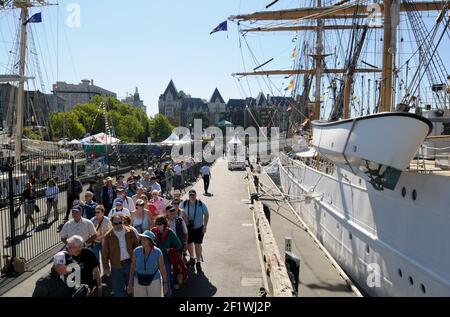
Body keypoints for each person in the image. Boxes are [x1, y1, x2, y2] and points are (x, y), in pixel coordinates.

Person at [102, 214, 139, 297]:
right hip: (116, 266)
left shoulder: (130, 232)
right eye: (115, 223)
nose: (118, 225)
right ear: (112, 223)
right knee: (118, 290)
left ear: (122, 221)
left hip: (130, 263)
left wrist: (137, 263)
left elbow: (137, 248)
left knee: (132, 288)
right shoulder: (108, 236)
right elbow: (105, 254)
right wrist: (106, 268)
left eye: (120, 222)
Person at [128, 230, 168, 297]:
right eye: (142, 239)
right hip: (138, 280)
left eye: (145, 239)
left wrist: (165, 283)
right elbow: (132, 267)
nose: (142, 241)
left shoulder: (158, 252)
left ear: (151, 241)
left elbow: (162, 268)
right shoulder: (136, 251)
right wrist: (130, 282)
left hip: (154, 281)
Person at [151, 215, 182, 296]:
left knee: (166, 279)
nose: (158, 226)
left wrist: (170, 249)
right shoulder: (153, 231)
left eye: (160, 224)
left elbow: (178, 245)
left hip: (166, 261)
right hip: (154, 261)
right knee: (155, 280)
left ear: (164, 224)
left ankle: (167, 294)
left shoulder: (170, 232)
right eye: (157, 224)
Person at [181, 189, 209, 272]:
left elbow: (206, 214)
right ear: (188, 196)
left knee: (198, 244)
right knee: (189, 243)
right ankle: (192, 258)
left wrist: (205, 226)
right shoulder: (185, 203)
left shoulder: (200, 204)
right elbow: (179, 212)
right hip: (188, 228)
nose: (192, 196)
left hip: (198, 228)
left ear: (196, 195)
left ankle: (198, 262)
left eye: (193, 195)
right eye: (190, 195)